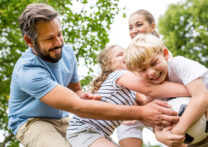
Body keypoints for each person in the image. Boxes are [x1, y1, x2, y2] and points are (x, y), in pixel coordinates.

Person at [8, 3, 181, 147]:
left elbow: (76, 91)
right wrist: (141, 112)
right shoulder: (28, 72)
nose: (58, 42)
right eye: (49, 39)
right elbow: (78, 107)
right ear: (29, 41)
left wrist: (84, 95)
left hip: (64, 119)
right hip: (31, 122)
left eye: (59, 34)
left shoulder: (66, 53)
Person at [66, 45, 189, 147]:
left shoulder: (132, 92)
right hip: (83, 130)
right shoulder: (119, 74)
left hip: (100, 134)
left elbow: (146, 101)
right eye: (120, 55)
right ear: (108, 65)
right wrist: (191, 90)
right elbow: (151, 89)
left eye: (127, 53)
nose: (126, 56)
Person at [126, 33, 208, 147]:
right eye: (142, 70)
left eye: (154, 63)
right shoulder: (150, 92)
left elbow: (201, 97)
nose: (151, 72)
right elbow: (157, 123)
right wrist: (159, 135)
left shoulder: (179, 65)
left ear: (165, 54)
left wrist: (177, 131)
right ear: (136, 73)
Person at [116, 9, 163, 147]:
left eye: (139, 25)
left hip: (159, 103)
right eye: (130, 27)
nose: (134, 30)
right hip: (137, 108)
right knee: (125, 124)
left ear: (152, 26)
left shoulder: (162, 52)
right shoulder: (128, 56)